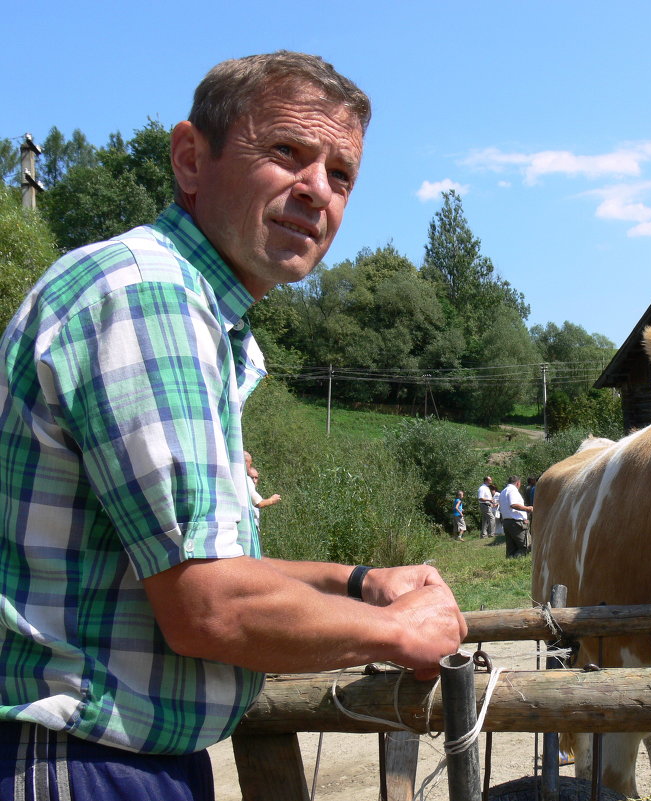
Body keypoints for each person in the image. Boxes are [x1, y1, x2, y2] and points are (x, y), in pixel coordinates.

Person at [0, 52, 467, 800]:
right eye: (287, 152)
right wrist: (396, 630)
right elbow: (207, 605)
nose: (317, 189)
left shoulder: (199, 317)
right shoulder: (149, 296)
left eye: (341, 174)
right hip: (77, 760)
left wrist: (360, 581)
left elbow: (190, 563)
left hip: (113, 759)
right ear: (192, 157)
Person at [244, 450, 281, 528]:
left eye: (256, 478)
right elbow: (258, 503)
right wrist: (271, 500)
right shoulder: (245, 480)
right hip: (248, 526)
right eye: (252, 477)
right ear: (245, 462)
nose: (254, 480)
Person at [500, 475, 534, 558]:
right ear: (518, 483)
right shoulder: (512, 491)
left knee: (511, 548)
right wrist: (527, 509)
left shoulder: (504, 491)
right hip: (516, 522)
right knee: (525, 546)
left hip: (507, 521)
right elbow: (514, 504)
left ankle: (509, 563)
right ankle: (517, 562)